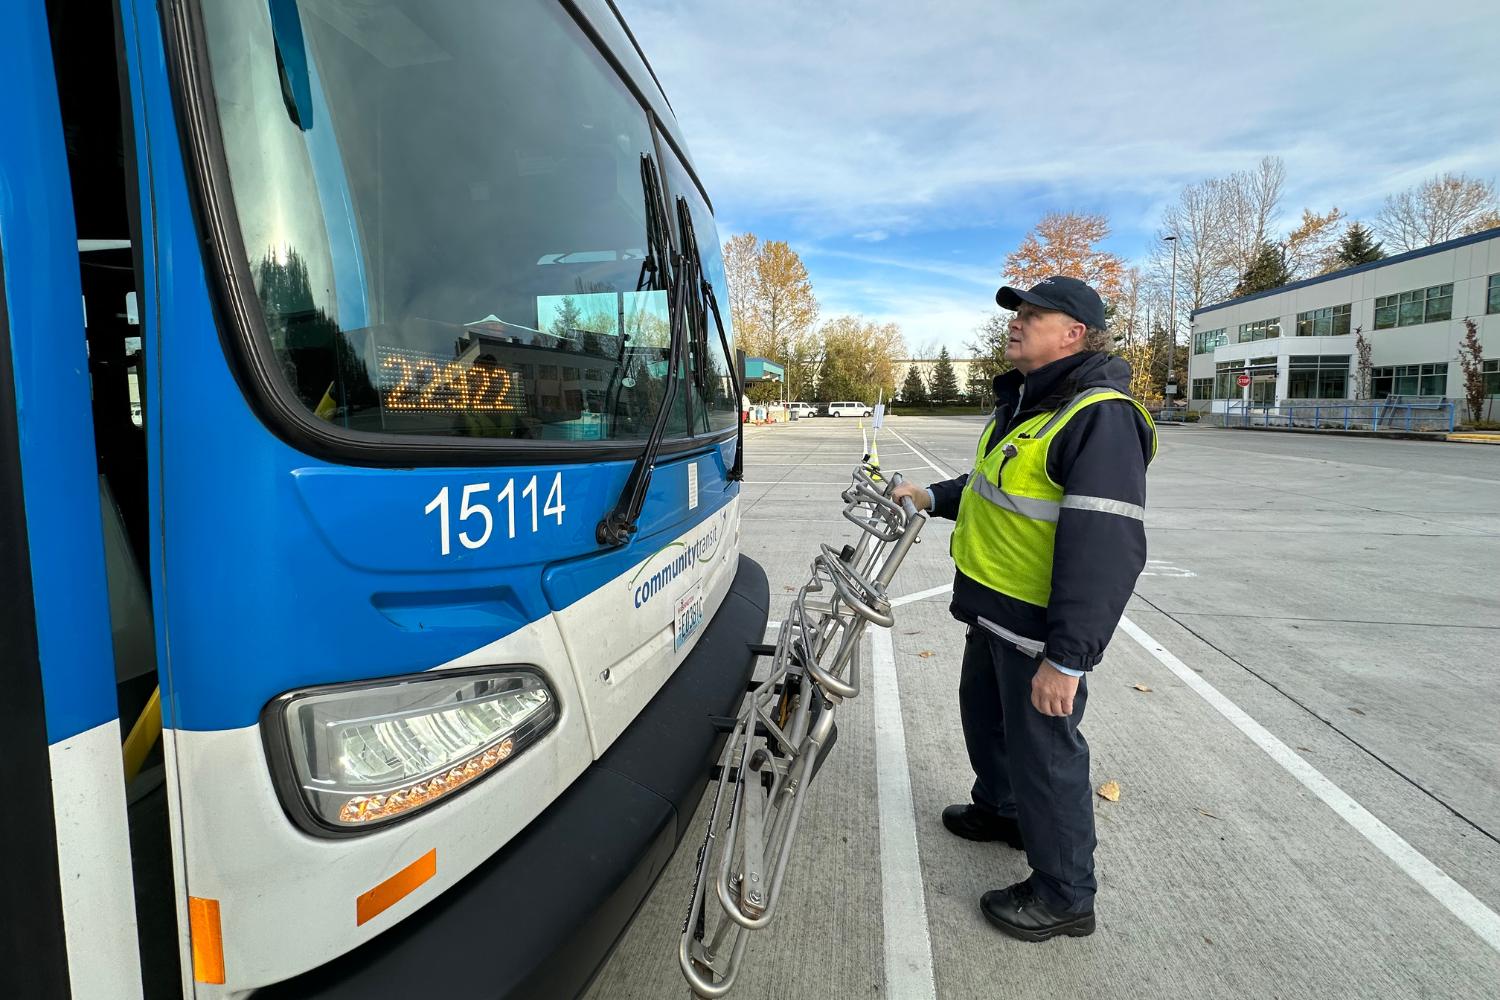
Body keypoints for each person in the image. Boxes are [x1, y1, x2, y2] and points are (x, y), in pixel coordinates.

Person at [891, 275, 1156, 942]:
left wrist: (1067, 658)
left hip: (1040, 630)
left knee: (1046, 754)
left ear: (1074, 334)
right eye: (1017, 313)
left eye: (1035, 316)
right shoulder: (1029, 405)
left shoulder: (1097, 416)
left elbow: (1106, 548)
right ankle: (1003, 812)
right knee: (986, 719)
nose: (1017, 323)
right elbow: (991, 489)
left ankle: (1065, 894)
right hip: (992, 611)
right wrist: (930, 495)